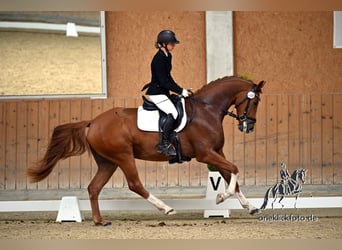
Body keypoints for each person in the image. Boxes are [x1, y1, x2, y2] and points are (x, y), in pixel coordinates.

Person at [142, 30, 190, 157]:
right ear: (163, 44)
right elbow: (163, 81)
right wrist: (180, 91)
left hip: (163, 92)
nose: (173, 45)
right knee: (173, 113)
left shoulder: (168, 56)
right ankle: (163, 144)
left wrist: (181, 89)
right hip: (157, 92)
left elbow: (169, 78)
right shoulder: (158, 59)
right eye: (171, 43)